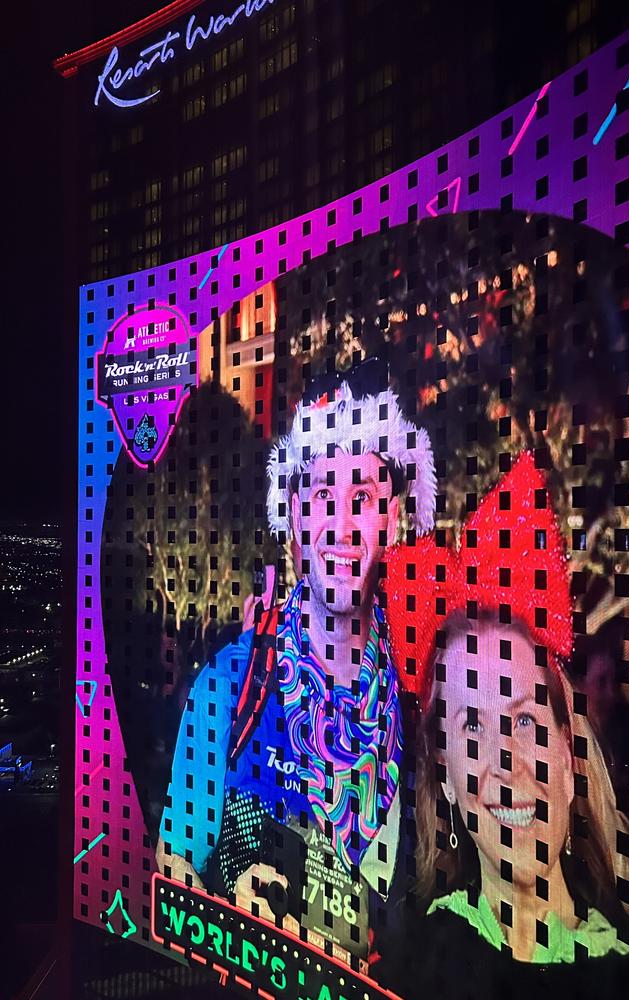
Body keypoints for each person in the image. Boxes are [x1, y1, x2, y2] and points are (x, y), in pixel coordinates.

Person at [156, 356, 437, 974]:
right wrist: (234, 904)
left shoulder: (422, 700)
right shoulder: (228, 689)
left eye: (362, 496)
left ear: (391, 519)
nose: (340, 524)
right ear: (296, 519)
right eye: (321, 496)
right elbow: (170, 885)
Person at [384, 452, 629, 997]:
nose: (508, 764)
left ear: (569, 748)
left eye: (525, 721)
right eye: (473, 729)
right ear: (446, 771)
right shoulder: (409, 966)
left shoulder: (628, 975)